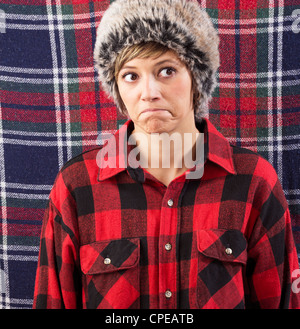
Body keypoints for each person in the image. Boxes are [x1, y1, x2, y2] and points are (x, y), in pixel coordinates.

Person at [33, 0, 300, 309]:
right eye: (131, 75)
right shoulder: (76, 187)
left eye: (167, 70)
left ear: (197, 79)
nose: (149, 92)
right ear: (116, 87)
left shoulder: (254, 182)